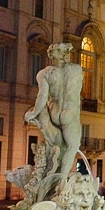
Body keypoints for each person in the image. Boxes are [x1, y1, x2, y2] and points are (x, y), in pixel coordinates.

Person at [25, 42, 83, 182]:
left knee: (57, 146)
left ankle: (51, 175)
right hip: (70, 112)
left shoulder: (45, 73)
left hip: (54, 112)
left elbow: (42, 97)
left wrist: (34, 113)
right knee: (72, 147)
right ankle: (61, 182)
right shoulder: (76, 69)